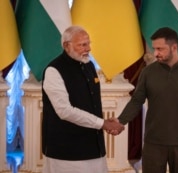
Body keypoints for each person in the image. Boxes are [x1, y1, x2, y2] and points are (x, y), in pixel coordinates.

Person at [116, 27, 178, 173]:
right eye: (154, 49)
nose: (155, 53)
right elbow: (136, 101)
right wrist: (120, 121)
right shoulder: (148, 72)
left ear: (174, 47)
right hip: (153, 144)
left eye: (160, 49)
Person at [41, 25, 124, 173]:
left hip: (94, 147)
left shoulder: (88, 65)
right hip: (66, 152)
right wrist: (103, 123)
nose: (88, 48)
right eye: (82, 45)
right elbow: (65, 111)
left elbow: (90, 103)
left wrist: (105, 122)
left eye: (89, 43)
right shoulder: (54, 70)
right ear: (67, 46)